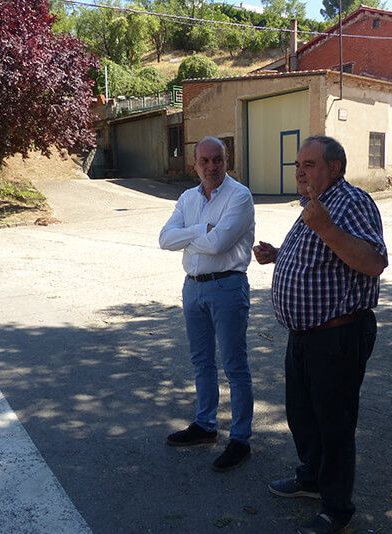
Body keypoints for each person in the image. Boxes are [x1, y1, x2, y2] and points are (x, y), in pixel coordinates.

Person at [256, 135, 387, 534]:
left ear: (335, 167)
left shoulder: (352, 202)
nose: (299, 171)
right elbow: (324, 259)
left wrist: (327, 229)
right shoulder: (314, 206)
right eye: (298, 164)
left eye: (309, 164)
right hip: (305, 336)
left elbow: (373, 262)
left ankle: (336, 506)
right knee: (302, 415)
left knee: (334, 423)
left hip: (338, 336)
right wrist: (280, 255)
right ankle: (311, 478)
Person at [159, 136, 255, 472]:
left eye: (218, 159)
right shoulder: (188, 198)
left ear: (226, 160)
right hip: (193, 288)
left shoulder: (239, 196)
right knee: (201, 361)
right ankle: (205, 425)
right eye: (205, 160)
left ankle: (240, 439)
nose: (211, 167)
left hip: (227, 287)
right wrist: (201, 228)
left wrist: (190, 236)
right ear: (194, 163)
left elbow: (219, 245)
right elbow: (164, 239)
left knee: (234, 365)